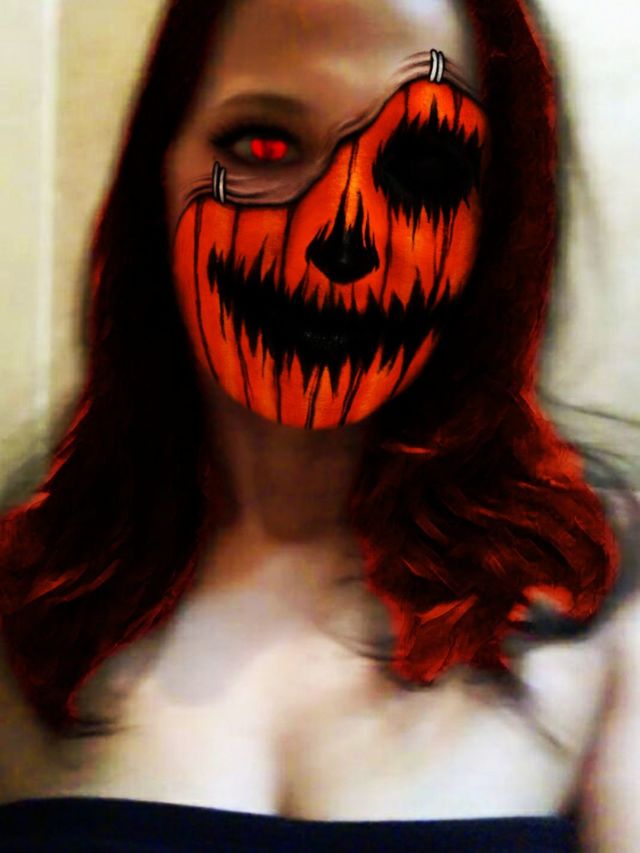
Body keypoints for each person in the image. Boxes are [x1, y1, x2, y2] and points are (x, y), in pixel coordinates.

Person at [0, 0, 638, 850]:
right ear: (157, 171)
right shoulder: (21, 597)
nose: (341, 234)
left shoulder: (608, 596)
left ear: (496, 227)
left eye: (423, 168)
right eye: (264, 145)